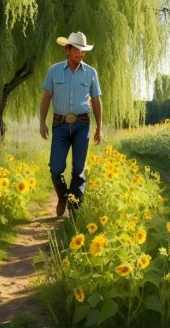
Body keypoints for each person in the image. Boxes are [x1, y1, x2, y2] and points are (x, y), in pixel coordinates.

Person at [39, 31, 103, 216]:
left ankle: (75, 212)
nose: (80, 53)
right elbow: (46, 98)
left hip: (82, 124)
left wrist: (99, 127)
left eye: (83, 50)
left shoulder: (91, 73)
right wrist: (42, 123)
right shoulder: (54, 70)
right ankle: (62, 196)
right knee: (56, 168)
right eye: (77, 50)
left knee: (78, 169)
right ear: (68, 49)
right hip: (59, 124)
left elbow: (96, 100)